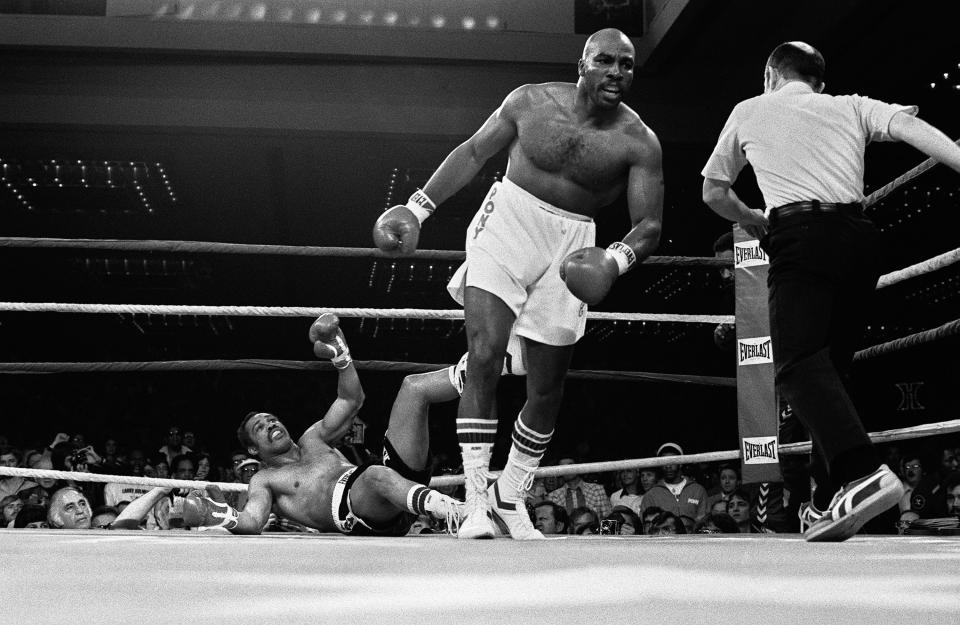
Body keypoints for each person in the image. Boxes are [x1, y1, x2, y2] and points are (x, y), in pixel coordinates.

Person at [372, 28, 663, 540]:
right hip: (507, 221)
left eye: (627, 65)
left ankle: (512, 493)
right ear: (583, 64)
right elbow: (473, 152)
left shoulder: (638, 141)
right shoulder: (529, 101)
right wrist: (418, 208)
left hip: (573, 243)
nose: (617, 72)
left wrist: (614, 260)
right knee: (484, 354)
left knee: (547, 386)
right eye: (606, 61)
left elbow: (649, 225)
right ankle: (478, 501)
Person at [701, 41, 960, 542]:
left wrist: (755, 218)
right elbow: (913, 129)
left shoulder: (750, 109)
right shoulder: (850, 105)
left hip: (802, 237)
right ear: (818, 80)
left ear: (770, 74)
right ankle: (827, 497)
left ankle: (863, 470)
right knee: (831, 369)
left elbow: (713, 191)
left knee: (796, 363)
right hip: (861, 242)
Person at [184, 314, 461, 536]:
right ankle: (456, 512)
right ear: (254, 450)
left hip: (393, 490)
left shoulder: (313, 438)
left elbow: (351, 399)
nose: (270, 425)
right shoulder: (265, 479)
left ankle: (490, 363)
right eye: (260, 428)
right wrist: (220, 515)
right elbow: (252, 521)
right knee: (376, 475)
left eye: (271, 419)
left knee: (414, 388)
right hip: (359, 511)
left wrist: (342, 359)